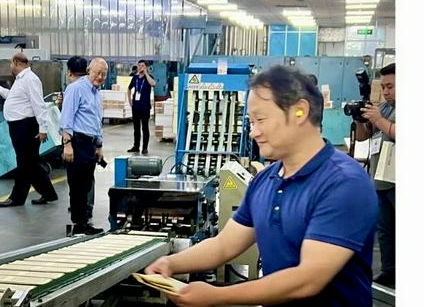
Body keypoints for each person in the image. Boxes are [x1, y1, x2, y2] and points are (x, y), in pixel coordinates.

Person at [145, 65, 378, 307]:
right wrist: (172, 263)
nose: (254, 132)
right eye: (250, 121)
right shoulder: (266, 179)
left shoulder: (343, 184)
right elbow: (224, 245)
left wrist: (215, 296)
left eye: (261, 120)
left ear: (300, 112)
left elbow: (308, 279)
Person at [0, 52, 58, 207]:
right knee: (29, 163)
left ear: (16, 62)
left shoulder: (30, 79)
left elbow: (38, 104)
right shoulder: (21, 80)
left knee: (24, 163)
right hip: (18, 126)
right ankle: (48, 194)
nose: (10, 66)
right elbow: (14, 98)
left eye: (10, 63)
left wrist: (43, 128)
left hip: (26, 127)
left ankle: (17, 197)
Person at [354, 63, 396, 288]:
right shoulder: (386, 109)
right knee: (385, 231)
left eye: (390, 87)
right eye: (384, 87)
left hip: (398, 182)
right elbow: (363, 138)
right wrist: (361, 119)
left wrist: (378, 119)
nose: (386, 92)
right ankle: (389, 272)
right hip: (380, 180)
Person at [59, 57, 108, 235]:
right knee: (77, 186)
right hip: (76, 143)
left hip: (89, 145)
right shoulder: (75, 89)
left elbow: (97, 121)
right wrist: (67, 144)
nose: (100, 77)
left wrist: (99, 146)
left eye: (104, 74)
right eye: (97, 73)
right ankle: (78, 224)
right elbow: (66, 119)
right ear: (89, 70)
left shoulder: (96, 93)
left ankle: (83, 222)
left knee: (86, 185)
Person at [127, 60, 155, 155]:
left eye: (142, 66)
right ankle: (136, 146)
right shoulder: (135, 78)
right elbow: (129, 88)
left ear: (146, 67)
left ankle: (145, 147)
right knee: (136, 128)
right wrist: (130, 101)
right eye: (139, 66)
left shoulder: (149, 77)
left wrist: (146, 73)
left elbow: (153, 84)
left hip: (145, 107)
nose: (140, 67)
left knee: (145, 128)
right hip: (136, 107)